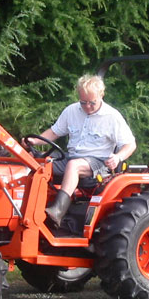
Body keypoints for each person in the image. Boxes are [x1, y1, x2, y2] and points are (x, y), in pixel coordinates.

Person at [26, 74, 136, 227]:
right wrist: (34, 141)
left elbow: (130, 144)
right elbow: (54, 132)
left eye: (92, 102)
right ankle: (28, 209)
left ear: (101, 95)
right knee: (38, 161)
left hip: (99, 163)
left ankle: (58, 210)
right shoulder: (71, 111)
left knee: (74, 166)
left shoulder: (112, 117)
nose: (88, 107)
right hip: (72, 157)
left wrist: (118, 157)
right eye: (83, 102)